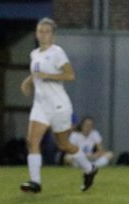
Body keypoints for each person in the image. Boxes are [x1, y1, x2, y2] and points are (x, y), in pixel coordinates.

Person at [19, 17, 98, 193]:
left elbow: (70, 75)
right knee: (32, 141)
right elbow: (38, 73)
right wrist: (28, 81)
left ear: (53, 35)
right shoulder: (35, 54)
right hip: (40, 106)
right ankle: (35, 183)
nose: (43, 34)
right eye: (40, 31)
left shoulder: (57, 52)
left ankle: (89, 169)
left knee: (64, 145)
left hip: (58, 106)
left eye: (47, 31)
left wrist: (49, 76)